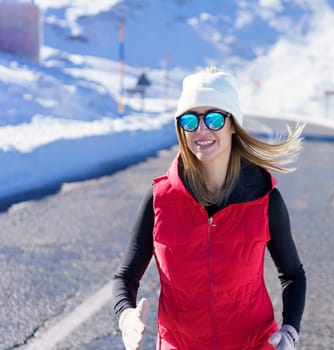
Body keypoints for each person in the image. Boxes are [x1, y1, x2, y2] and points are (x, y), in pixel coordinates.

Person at [112, 67, 306, 350]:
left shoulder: (264, 199)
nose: (201, 129)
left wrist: (290, 331)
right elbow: (125, 277)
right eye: (190, 120)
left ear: (232, 125)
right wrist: (126, 317)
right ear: (181, 128)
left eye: (214, 118)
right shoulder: (160, 200)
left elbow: (293, 275)